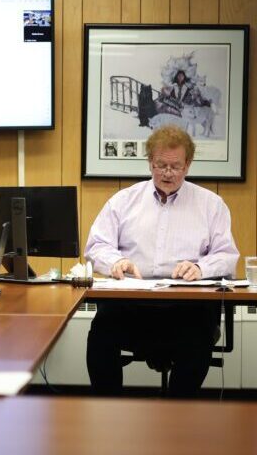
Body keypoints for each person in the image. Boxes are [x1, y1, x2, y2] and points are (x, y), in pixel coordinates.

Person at [84, 125, 239, 397]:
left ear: (188, 165)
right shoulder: (123, 201)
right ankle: (106, 411)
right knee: (101, 333)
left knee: (199, 338)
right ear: (150, 162)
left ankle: (178, 416)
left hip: (185, 308)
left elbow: (227, 256)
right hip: (132, 306)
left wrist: (201, 268)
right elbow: (97, 245)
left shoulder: (211, 205)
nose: (167, 173)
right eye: (161, 165)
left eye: (175, 166)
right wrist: (116, 261)